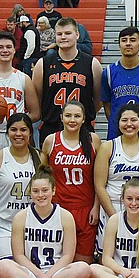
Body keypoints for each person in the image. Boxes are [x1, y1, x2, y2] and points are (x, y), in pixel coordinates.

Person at [0, 168, 90, 278]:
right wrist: (39, 275)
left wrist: (48, 275)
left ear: (53, 191)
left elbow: (68, 256)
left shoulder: (65, 217)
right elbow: (19, 255)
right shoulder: (21, 217)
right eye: (35, 191)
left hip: (56, 273)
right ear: (30, 193)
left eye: (45, 190)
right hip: (30, 273)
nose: (40, 195)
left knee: (84, 268)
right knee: (2, 265)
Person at [43, 101, 101, 262]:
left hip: (85, 208)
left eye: (77, 116)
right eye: (68, 115)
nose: (72, 120)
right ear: (61, 118)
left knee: (83, 263)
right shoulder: (51, 140)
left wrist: (96, 207)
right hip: (59, 208)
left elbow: (100, 178)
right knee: (57, 259)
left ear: (84, 119)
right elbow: (42, 178)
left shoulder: (93, 140)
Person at [95, 104, 139, 238]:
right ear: (118, 123)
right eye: (124, 120)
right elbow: (100, 186)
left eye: (133, 120)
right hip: (113, 206)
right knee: (108, 254)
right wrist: (114, 217)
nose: (129, 124)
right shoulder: (107, 147)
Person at [0, 114, 44, 261]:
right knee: (9, 270)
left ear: (30, 132)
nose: (18, 134)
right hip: (4, 225)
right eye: (13, 129)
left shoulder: (40, 157)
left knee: (31, 270)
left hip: (33, 225)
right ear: (7, 132)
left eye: (23, 130)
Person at [34, 17, 102, 138]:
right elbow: (37, 99)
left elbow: (98, 100)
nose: (63, 37)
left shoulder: (92, 63)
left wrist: (80, 116)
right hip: (52, 126)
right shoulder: (43, 63)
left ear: (77, 34)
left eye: (68, 33)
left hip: (82, 127)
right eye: (59, 34)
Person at [101, 27, 139, 141]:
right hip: (116, 135)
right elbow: (107, 105)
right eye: (124, 40)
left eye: (133, 40)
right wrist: (118, 126)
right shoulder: (108, 73)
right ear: (119, 45)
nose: (128, 43)